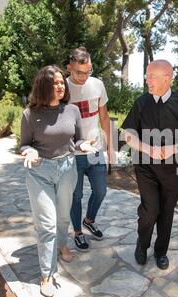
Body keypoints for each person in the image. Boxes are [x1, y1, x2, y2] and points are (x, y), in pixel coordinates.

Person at [20, 65, 97, 297]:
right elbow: (24, 144)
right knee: (47, 224)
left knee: (63, 217)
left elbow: (79, 139)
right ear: (43, 85)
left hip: (67, 169)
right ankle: (47, 274)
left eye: (62, 82)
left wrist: (84, 145)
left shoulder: (72, 110)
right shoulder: (29, 114)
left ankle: (62, 244)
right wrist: (29, 152)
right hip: (39, 172)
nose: (61, 85)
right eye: (55, 82)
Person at [121, 60, 178, 270]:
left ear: (167, 78)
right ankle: (142, 245)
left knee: (167, 211)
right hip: (145, 165)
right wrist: (148, 149)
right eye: (147, 76)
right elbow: (128, 134)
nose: (148, 80)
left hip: (173, 168)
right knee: (150, 210)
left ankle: (161, 252)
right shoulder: (141, 102)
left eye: (152, 76)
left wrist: (172, 149)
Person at [67, 47, 114, 252]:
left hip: (95, 151)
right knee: (75, 197)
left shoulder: (97, 85)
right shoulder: (62, 88)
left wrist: (111, 148)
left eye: (88, 71)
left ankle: (89, 220)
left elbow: (104, 117)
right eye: (79, 72)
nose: (84, 76)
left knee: (101, 190)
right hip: (73, 154)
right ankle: (77, 232)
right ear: (69, 68)